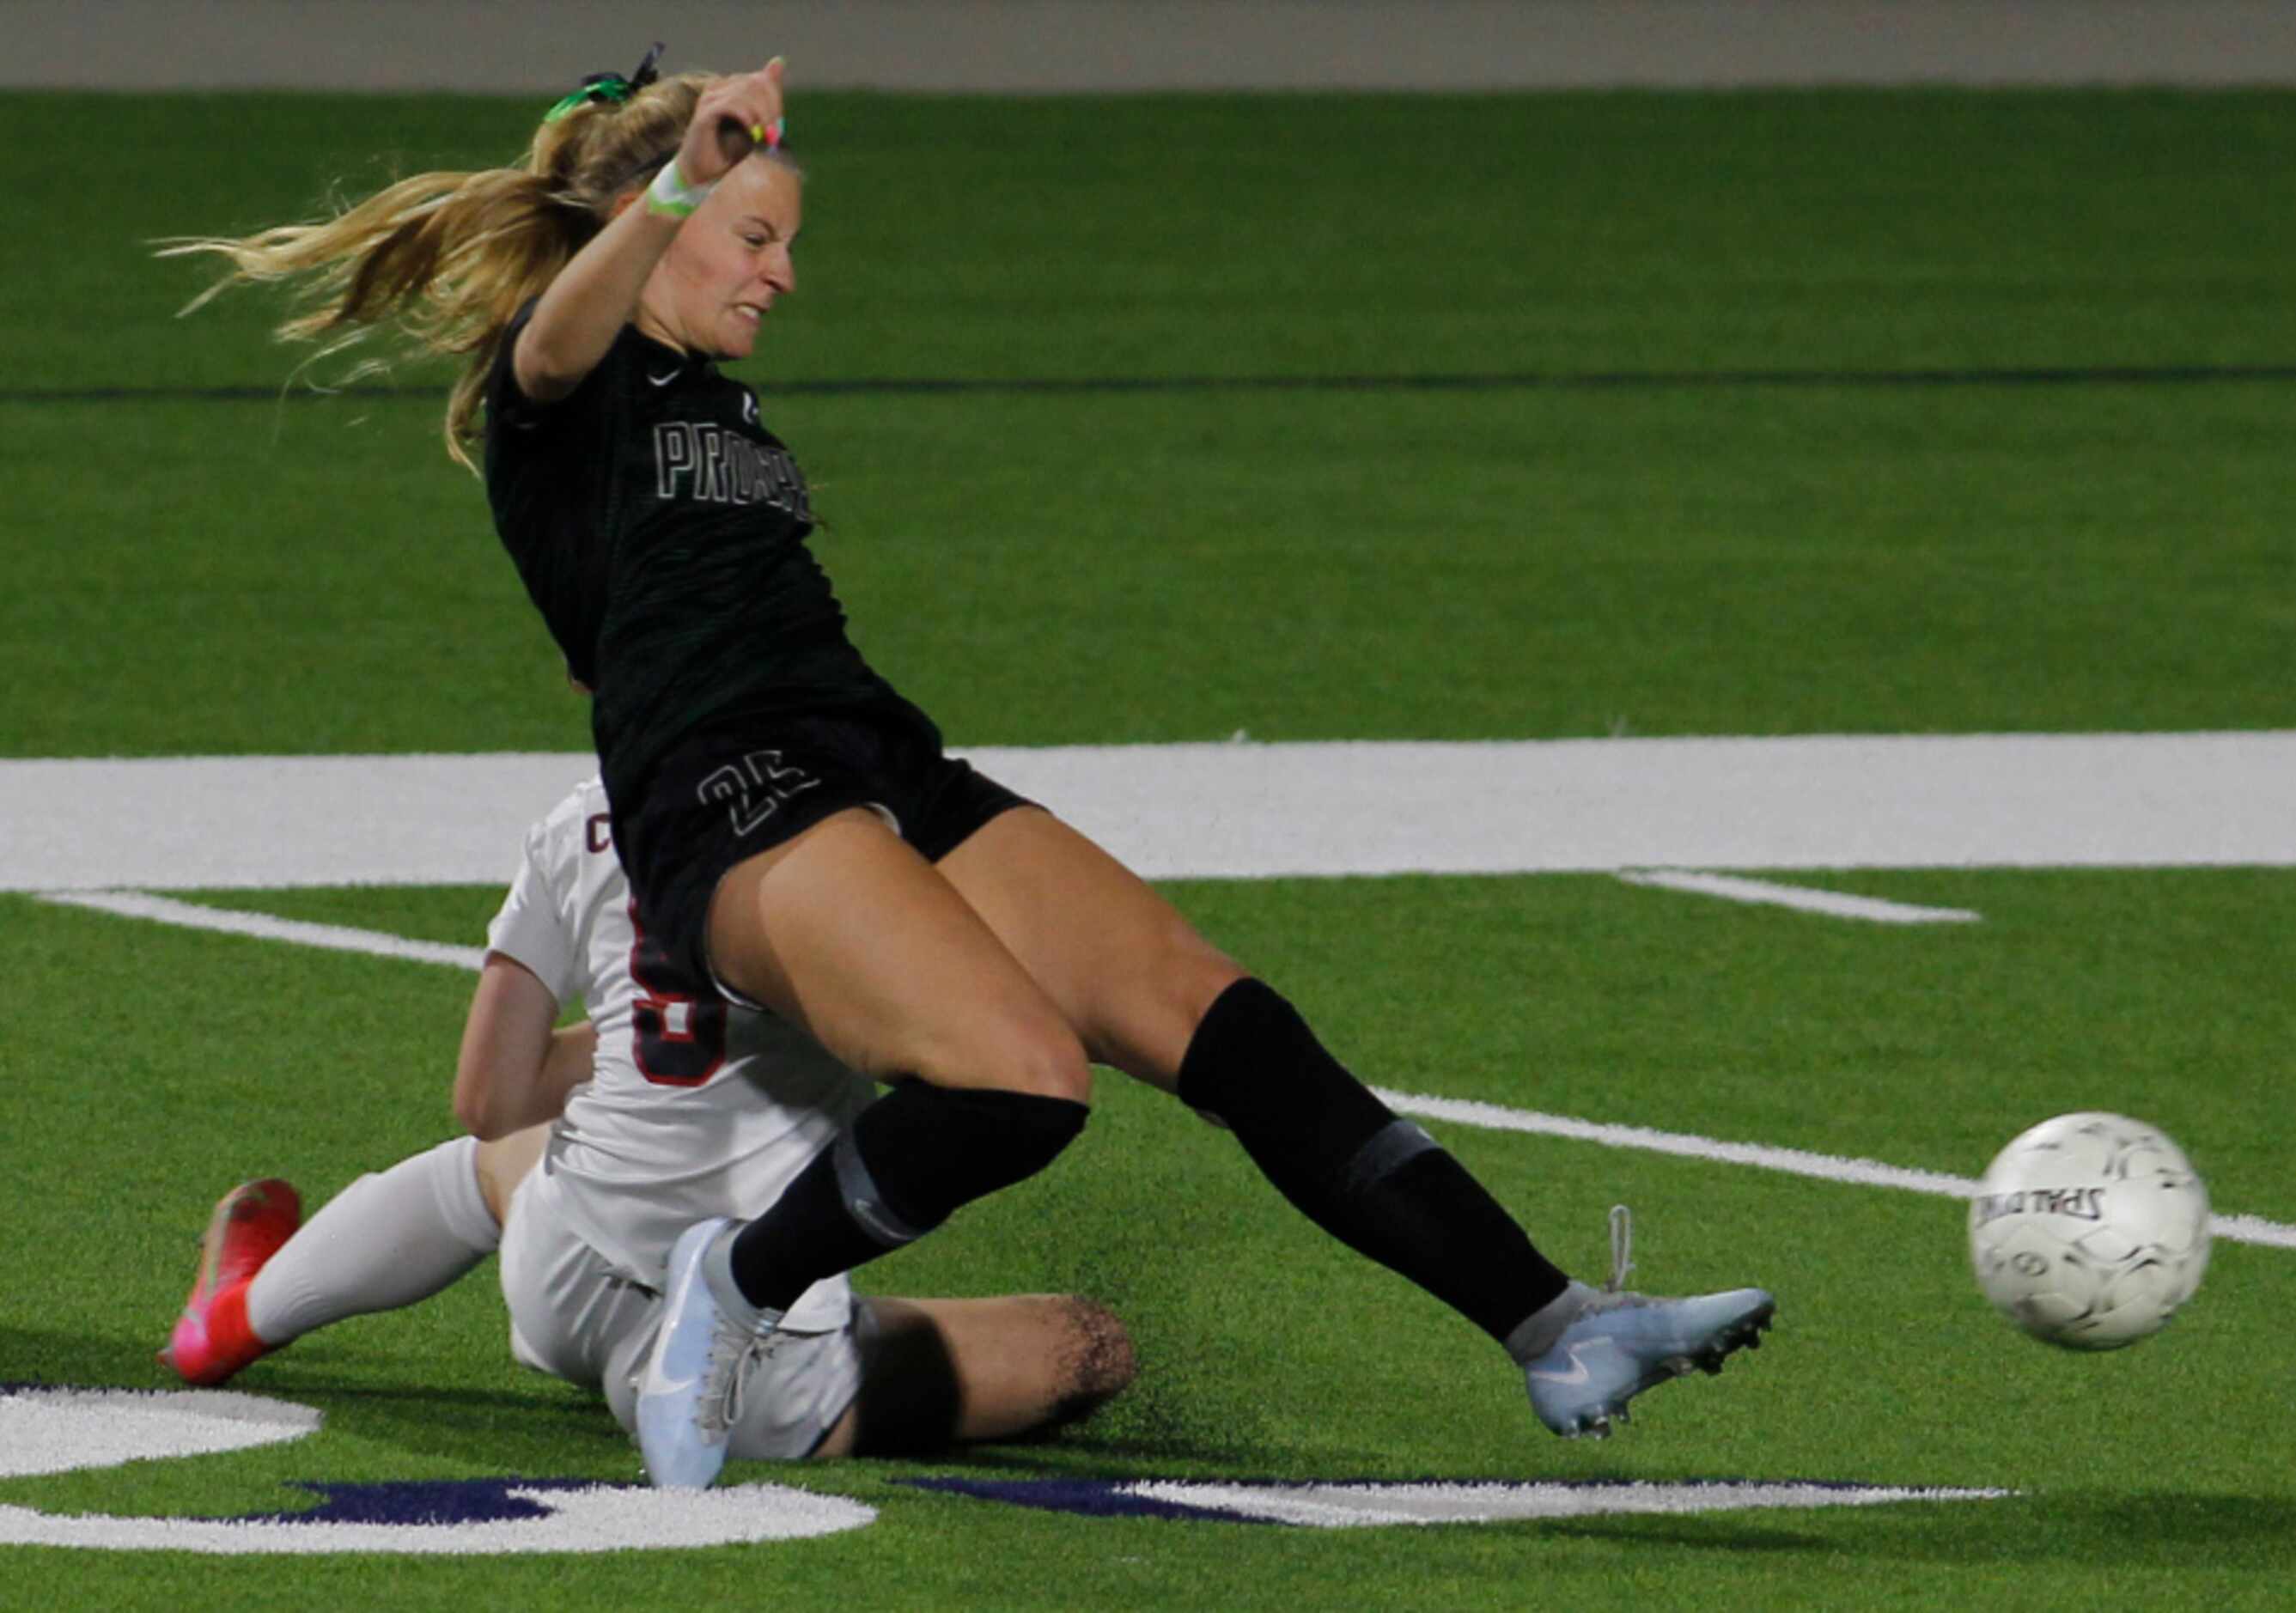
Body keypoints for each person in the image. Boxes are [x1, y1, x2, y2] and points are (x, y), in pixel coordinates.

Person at [167, 45, 1774, 1487]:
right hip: (725, 798)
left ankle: (1553, 1319)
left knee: (1221, 1022)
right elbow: (554, 337)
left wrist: (704, 200)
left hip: (867, 755)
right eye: (756, 235)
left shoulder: (707, 399)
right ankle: (727, 1292)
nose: (782, 272)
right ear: (649, 228)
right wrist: (678, 180)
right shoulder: (561, 395)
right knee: (1017, 1083)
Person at [161, 776, 1136, 1463]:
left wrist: (644, 1037)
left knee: (502, 1157)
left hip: (565, 1275)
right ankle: (774, 1366)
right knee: (1090, 1343)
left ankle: (236, 1319)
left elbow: (489, 1100)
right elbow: (970, 1061)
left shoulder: (581, 820)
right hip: (750, 1371)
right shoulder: (856, 837)